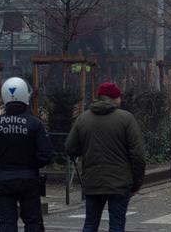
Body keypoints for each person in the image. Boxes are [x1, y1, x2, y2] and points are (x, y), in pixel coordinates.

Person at [65, 83, 146, 232]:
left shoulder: (83, 118)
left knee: (90, 223)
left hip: (93, 181)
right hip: (120, 183)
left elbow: (70, 148)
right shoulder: (126, 119)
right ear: (115, 98)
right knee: (116, 224)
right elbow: (138, 154)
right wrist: (136, 183)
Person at [0, 77, 54, 232]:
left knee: (6, 224)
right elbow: (47, 154)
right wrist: (32, 164)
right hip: (29, 180)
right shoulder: (35, 124)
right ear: (26, 96)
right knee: (33, 223)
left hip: (2, 179)